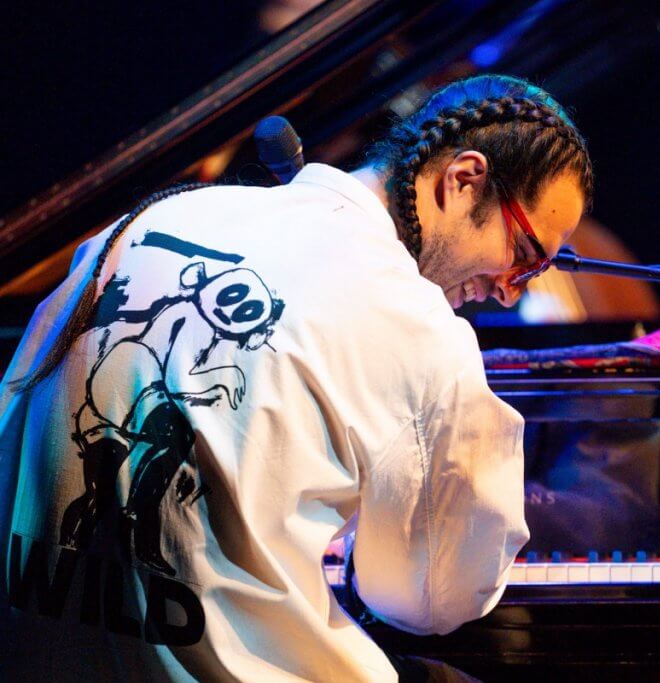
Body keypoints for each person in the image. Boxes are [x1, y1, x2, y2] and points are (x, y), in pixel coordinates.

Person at [0, 74, 593, 681]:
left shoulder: (150, 220)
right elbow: (432, 601)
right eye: (525, 255)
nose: (511, 291)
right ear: (463, 180)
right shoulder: (416, 324)